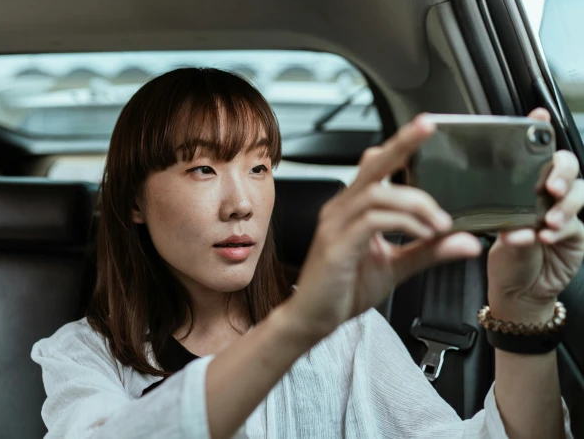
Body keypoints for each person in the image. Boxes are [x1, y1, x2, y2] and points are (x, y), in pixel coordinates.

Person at [31, 68, 579, 439]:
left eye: (260, 167)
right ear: (133, 201)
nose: (242, 203)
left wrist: (521, 311)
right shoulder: (82, 357)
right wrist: (300, 323)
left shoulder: (345, 332)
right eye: (203, 168)